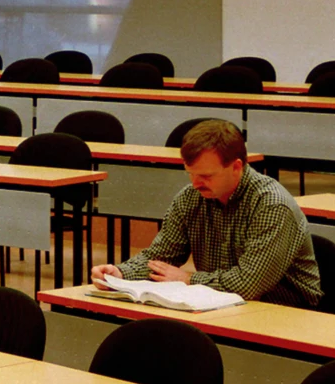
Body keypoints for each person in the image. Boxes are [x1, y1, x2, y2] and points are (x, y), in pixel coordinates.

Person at [92, 119, 321, 307]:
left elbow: (248, 284)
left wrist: (188, 279)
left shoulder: (271, 205)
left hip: (284, 311)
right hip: (218, 303)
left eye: (207, 176)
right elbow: (161, 256)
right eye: (190, 173)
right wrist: (120, 274)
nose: (196, 183)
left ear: (236, 167)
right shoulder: (191, 197)